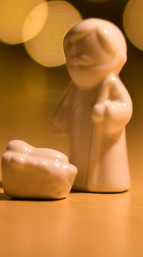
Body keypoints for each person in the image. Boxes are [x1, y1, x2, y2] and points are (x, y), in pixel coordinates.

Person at [52, 19, 132, 193]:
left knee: (105, 167)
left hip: (104, 147)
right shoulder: (75, 89)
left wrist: (108, 112)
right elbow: (66, 108)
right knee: (78, 162)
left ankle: (108, 181)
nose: (77, 66)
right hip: (79, 140)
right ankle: (78, 179)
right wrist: (60, 120)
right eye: (72, 63)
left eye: (86, 63)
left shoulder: (111, 85)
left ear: (116, 58)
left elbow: (125, 108)